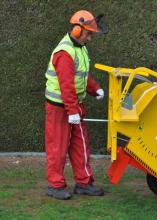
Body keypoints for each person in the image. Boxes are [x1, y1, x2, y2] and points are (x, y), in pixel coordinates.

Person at [44, 10, 108, 200]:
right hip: (59, 108)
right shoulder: (64, 52)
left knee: (81, 145)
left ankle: (84, 183)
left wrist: (95, 89)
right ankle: (55, 185)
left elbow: (82, 75)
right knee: (58, 147)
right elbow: (66, 85)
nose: (90, 37)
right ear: (77, 30)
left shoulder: (80, 48)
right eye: (89, 33)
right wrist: (71, 110)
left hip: (74, 106)